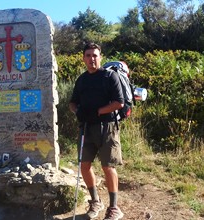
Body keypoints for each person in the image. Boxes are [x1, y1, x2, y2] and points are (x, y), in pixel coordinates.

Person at [68, 43, 125, 220]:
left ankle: (114, 208)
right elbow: (72, 102)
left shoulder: (110, 76)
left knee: (108, 166)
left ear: (100, 57)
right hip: (86, 127)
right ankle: (95, 201)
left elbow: (119, 102)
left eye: (95, 55)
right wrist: (77, 111)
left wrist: (99, 111)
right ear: (83, 58)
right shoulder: (82, 79)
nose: (92, 58)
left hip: (107, 127)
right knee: (84, 165)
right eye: (88, 55)